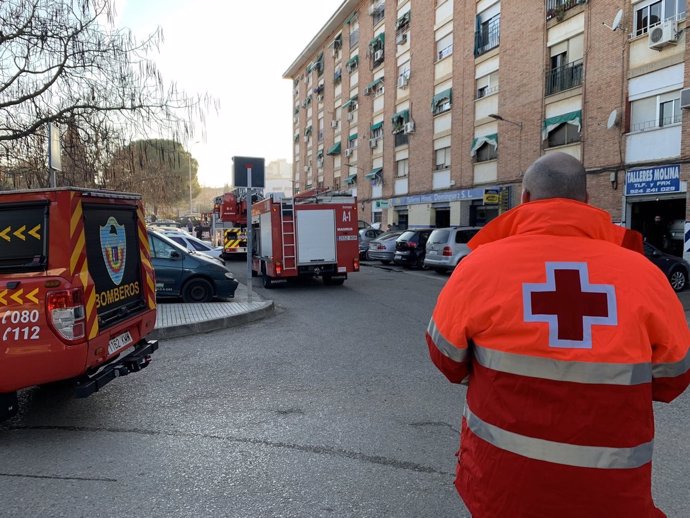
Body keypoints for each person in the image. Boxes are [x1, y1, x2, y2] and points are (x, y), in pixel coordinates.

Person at [425, 152, 690, 517]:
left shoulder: (479, 267)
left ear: (525, 198)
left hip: (503, 486)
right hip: (611, 494)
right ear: (586, 201)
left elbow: (447, 359)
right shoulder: (644, 275)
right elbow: (672, 378)